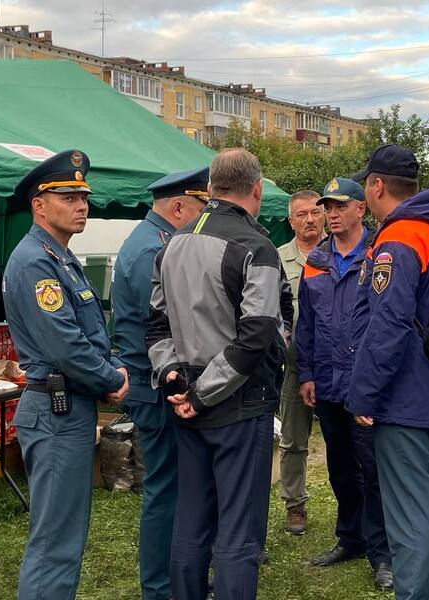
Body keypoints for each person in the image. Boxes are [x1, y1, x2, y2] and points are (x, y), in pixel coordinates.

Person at [146, 148, 290, 600]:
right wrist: (203, 393)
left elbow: (155, 324)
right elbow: (258, 334)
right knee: (238, 529)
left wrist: (173, 378)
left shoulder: (172, 242)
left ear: (210, 189)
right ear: (257, 190)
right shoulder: (256, 247)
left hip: (186, 399)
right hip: (236, 403)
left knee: (191, 518)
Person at [3, 149, 130, 600]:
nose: (81, 205)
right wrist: (111, 378)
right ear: (39, 204)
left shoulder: (58, 256)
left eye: (84, 196)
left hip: (67, 407)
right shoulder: (36, 261)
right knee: (55, 539)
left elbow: (86, 333)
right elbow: (64, 343)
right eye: (68, 196)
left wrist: (108, 366)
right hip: (56, 410)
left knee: (65, 534)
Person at [347, 143, 429, 600]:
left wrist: (362, 394)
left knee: (409, 513)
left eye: (366, 185)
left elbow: (388, 323)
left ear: (376, 185)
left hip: (403, 395)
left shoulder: (400, 237)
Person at [112, 168, 209, 600]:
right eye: (200, 208)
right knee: (166, 489)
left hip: (148, 380)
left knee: (170, 485)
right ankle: (161, 587)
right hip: (155, 385)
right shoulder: (157, 247)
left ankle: (171, 580)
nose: (202, 218)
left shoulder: (147, 240)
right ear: (178, 207)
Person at [295, 177, 392, 590]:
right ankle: (349, 537)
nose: (330, 214)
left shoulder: (380, 255)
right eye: (326, 207)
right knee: (339, 468)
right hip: (329, 383)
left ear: (360, 209)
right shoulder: (315, 261)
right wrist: (307, 374)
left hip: (365, 385)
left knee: (373, 469)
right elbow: (308, 326)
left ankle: (383, 552)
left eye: (338, 207)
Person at [277, 190, 325, 536]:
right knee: (293, 439)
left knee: (350, 439)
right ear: (291, 221)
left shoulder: (341, 254)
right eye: (302, 215)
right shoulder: (278, 260)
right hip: (295, 365)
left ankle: (354, 506)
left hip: (338, 364)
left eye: (315, 213)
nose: (309, 220)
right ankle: (295, 504)